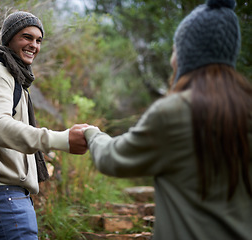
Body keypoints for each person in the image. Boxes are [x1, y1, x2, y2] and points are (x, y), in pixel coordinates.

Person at [83, 0, 252, 239]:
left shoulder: (174, 112)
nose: (172, 58)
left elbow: (112, 159)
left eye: (175, 49)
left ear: (186, 55)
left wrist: (93, 134)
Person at [0, 11, 88, 239]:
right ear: (9, 38)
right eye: (26, 37)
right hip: (2, 194)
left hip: (9, 193)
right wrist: (60, 140)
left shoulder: (15, 77)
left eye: (38, 40)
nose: (34, 45)